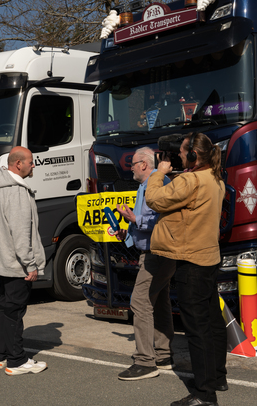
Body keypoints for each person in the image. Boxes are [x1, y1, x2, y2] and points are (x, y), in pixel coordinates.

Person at [146, 133, 227, 406]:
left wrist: (159, 173)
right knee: (212, 321)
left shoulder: (190, 180)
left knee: (197, 328)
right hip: (209, 257)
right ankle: (216, 377)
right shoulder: (215, 179)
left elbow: (154, 199)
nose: (179, 156)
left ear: (193, 156)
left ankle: (205, 395)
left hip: (190, 260)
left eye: (182, 152)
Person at [0, 146, 47, 375]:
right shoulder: (17, 191)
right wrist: (30, 264)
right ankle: (17, 361)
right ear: (18, 164)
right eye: (30, 161)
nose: (33, 165)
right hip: (16, 262)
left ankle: (0, 356)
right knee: (15, 310)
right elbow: (20, 233)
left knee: (5, 307)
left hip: (1, 258)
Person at [114, 147, 173, 381]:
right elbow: (143, 222)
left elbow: (158, 219)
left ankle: (145, 361)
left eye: (133, 164)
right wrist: (126, 230)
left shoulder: (156, 184)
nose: (130, 168)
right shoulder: (146, 185)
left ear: (144, 165)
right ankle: (163, 354)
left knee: (139, 302)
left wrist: (134, 219)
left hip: (157, 252)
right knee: (159, 302)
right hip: (155, 251)